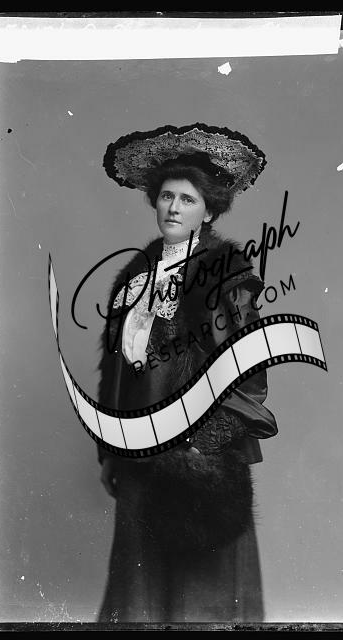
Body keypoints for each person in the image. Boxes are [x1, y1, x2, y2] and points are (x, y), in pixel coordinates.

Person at [96, 124, 278, 623]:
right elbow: (118, 373)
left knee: (205, 603)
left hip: (201, 463)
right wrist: (111, 450)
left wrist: (201, 448)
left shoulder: (227, 277)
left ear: (210, 211)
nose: (173, 208)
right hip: (139, 459)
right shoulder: (135, 277)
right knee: (138, 600)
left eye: (188, 199)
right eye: (166, 197)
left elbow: (248, 374)